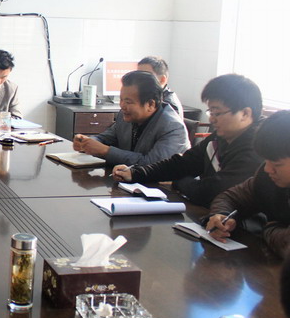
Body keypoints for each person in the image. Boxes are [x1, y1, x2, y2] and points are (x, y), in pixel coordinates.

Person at [112, 74, 263, 207]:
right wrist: (136, 173)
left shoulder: (257, 147)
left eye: (217, 113)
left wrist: (177, 182)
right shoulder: (220, 137)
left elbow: (211, 192)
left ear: (245, 113)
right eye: (210, 112)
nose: (211, 119)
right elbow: (183, 163)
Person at [206, 110, 290, 258]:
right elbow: (231, 197)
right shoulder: (266, 176)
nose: (267, 169)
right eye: (266, 160)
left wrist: (269, 228)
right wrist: (221, 215)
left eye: (277, 164)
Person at [73, 70, 189, 166]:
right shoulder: (126, 116)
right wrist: (87, 142)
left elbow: (151, 165)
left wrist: (105, 151)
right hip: (126, 180)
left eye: (128, 102)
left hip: (160, 186)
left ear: (150, 104)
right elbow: (106, 138)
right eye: (121, 99)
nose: (122, 105)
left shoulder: (172, 127)